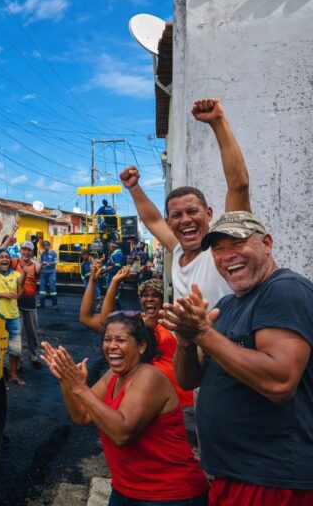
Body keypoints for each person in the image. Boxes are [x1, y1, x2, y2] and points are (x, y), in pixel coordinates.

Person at [162, 212, 313, 505]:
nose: (228, 255)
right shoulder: (227, 304)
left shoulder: (284, 290)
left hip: (273, 479)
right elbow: (188, 379)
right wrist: (185, 341)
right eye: (218, 248)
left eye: (238, 243)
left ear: (266, 243)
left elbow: (280, 382)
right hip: (231, 473)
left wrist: (204, 334)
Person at [42, 313, 208, 505]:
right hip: (125, 489)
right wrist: (67, 382)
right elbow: (82, 415)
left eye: (120, 340)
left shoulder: (150, 377)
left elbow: (122, 433)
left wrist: (80, 388)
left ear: (142, 346)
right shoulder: (112, 375)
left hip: (170, 494)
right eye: (107, 339)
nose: (112, 346)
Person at [119, 98, 250, 307]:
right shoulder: (179, 250)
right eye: (177, 216)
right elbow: (152, 221)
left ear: (208, 214)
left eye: (192, 211)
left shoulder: (219, 251)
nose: (186, 220)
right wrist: (134, 188)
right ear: (169, 222)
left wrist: (218, 122)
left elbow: (238, 186)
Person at [80, 269, 197, 445]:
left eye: (155, 295)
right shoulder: (136, 325)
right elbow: (102, 321)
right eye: (145, 295)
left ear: (163, 299)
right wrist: (113, 283)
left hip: (181, 405)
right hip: (144, 404)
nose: (149, 299)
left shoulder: (173, 324)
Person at [0, 248, 25, 386]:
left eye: (7, 257)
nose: (4, 259)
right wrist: (2, 294)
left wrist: (25, 273)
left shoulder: (16, 274)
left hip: (14, 317)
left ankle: (13, 375)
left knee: (15, 349)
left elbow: (21, 290)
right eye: (1, 257)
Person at [13, 240, 41, 367]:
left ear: (32, 253)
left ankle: (34, 357)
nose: (26, 252)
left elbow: (39, 269)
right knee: (17, 334)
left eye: (29, 250)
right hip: (15, 305)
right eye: (24, 249)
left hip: (30, 305)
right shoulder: (14, 263)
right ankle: (18, 363)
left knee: (32, 333)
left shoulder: (35, 266)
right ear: (20, 250)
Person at [38, 240, 57, 309]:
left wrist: (49, 263)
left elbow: (55, 262)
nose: (45, 246)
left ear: (49, 246)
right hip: (43, 273)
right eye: (44, 245)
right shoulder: (42, 254)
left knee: (52, 288)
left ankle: (54, 304)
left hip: (51, 272)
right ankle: (41, 303)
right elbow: (40, 262)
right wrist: (42, 264)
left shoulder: (53, 253)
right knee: (42, 289)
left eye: (46, 245)